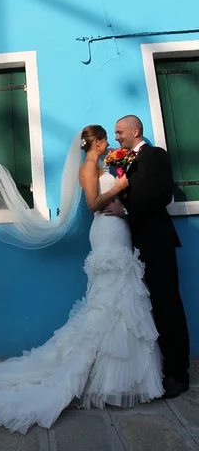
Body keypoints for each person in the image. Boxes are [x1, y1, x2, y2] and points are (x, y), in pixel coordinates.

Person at [0, 125, 164, 434]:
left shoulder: (103, 166)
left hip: (120, 231)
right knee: (109, 300)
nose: (110, 142)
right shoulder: (88, 168)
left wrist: (122, 187)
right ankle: (100, 377)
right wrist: (118, 186)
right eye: (106, 139)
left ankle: (119, 380)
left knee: (122, 300)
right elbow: (93, 204)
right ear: (96, 143)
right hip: (106, 234)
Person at [105, 115, 190, 399]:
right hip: (135, 244)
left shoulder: (155, 155)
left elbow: (161, 195)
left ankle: (178, 374)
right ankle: (157, 367)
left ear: (135, 130)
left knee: (167, 305)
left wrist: (126, 211)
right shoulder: (123, 162)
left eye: (119, 132)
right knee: (147, 307)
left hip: (157, 242)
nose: (116, 137)